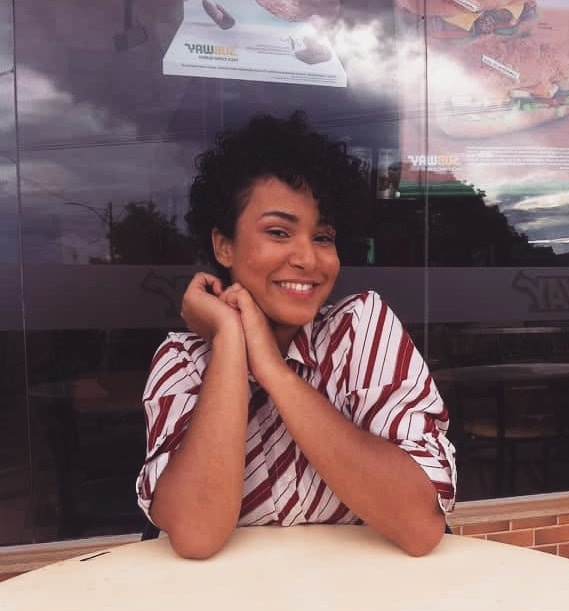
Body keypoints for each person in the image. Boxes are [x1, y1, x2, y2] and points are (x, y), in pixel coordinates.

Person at [136, 112, 456, 559]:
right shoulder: (184, 362)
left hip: (364, 595)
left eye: (323, 237)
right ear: (224, 245)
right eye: (279, 232)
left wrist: (275, 372)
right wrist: (228, 341)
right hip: (228, 601)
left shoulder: (359, 330)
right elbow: (197, 534)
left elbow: (420, 526)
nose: (307, 258)